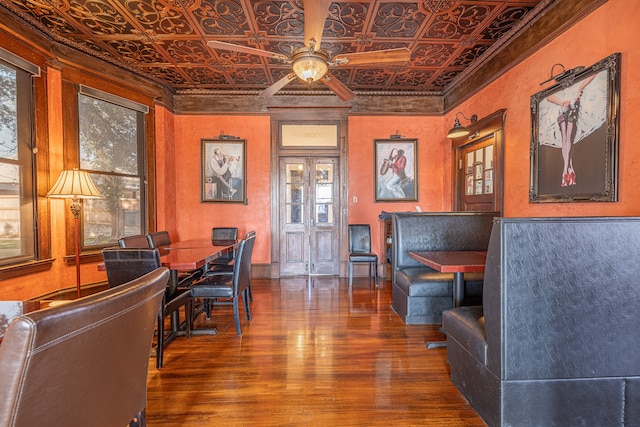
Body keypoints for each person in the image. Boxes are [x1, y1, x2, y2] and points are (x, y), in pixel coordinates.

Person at [546, 74, 596, 187]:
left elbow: (549, 97)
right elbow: (548, 97)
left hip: (567, 106)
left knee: (566, 138)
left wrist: (579, 91)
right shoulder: (568, 87)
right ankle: (569, 170)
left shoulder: (573, 86)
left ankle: (566, 172)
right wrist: (564, 101)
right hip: (568, 105)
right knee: (568, 138)